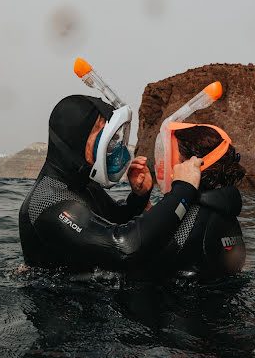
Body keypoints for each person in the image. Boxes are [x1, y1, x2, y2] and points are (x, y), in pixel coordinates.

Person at [18, 95, 204, 272]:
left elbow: (113, 221)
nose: (113, 149)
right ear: (77, 139)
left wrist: (138, 198)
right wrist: (183, 189)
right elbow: (124, 248)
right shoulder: (49, 203)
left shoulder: (84, 185)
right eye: (108, 140)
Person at [149, 124, 247, 280]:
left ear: (191, 164)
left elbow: (146, 262)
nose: (164, 164)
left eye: (171, 158)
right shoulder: (222, 206)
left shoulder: (191, 215)